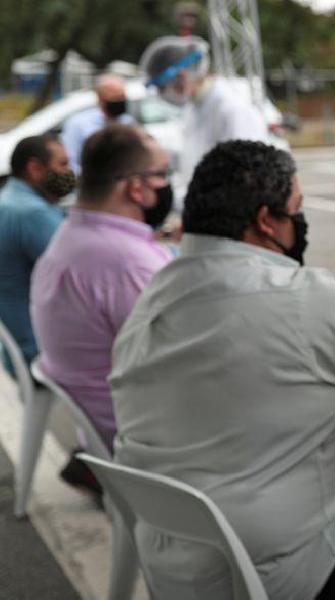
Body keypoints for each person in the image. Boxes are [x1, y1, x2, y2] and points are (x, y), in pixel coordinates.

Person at [110, 140, 335, 599]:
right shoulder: (306, 299)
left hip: (180, 570)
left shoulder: (146, 307)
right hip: (295, 561)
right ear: (267, 220)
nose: (301, 222)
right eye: (296, 209)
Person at [31, 125, 173, 462]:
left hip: (99, 424)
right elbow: (179, 360)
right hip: (138, 439)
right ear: (136, 188)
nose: (167, 185)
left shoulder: (74, 234)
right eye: (162, 175)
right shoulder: (126, 263)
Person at [138, 36, 269, 199]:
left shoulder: (231, 109)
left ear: (182, 76)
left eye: (161, 87)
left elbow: (246, 177)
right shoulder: (194, 108)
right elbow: (193, 157)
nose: (161, 95)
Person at [0, 135, 70, 371]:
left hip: (20, 346)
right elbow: (77, 270)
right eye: (63, 164)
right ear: (35, 169)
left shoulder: (11, 199)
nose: (70, 172)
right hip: (39, 351)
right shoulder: (31, 213)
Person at [60, 73, 137, 173]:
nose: (121, 101)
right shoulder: (78, 124)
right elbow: (70, 162)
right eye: (116, 97)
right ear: (100, 98)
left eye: (123, 97)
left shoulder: (128, 122)